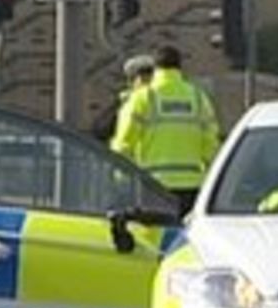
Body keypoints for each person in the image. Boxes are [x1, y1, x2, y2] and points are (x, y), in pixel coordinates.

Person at [111, 46, 220, 214]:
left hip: (153, 186)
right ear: (179, 67)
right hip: (191, 185)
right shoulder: (198, 98)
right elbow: (211, 145)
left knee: (155, 237)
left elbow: (124, 144)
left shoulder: (143, 97)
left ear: (156, 68)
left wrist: (119, 178)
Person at [91, 54, 155, 143]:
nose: (147, 84)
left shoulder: (161, 101)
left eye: (150, 79)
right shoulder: (125, 101)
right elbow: (101, 129)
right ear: (131, 82)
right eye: (143, 80)